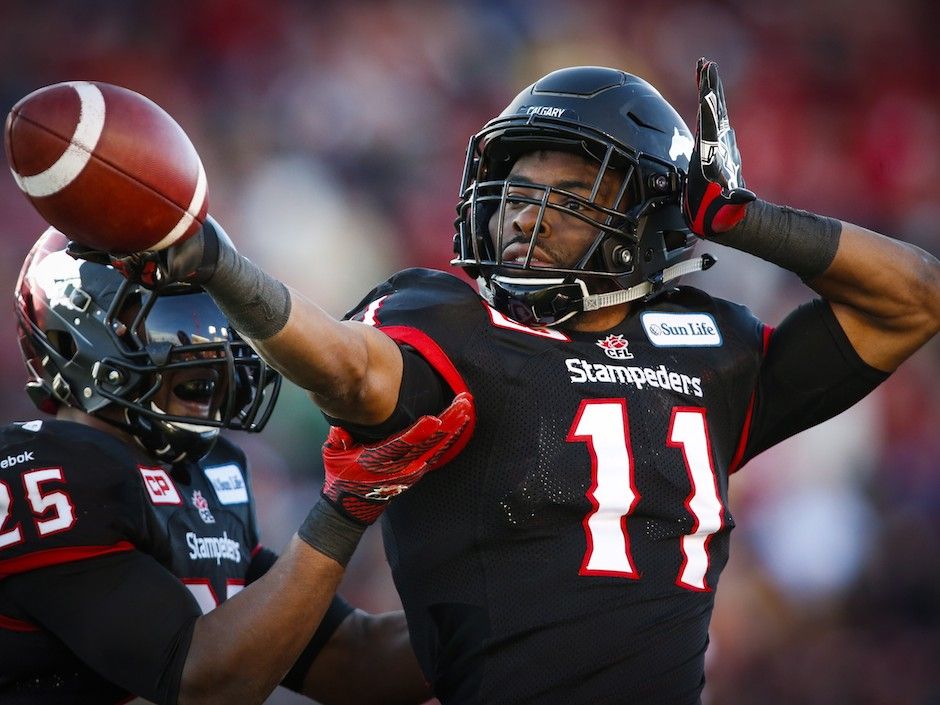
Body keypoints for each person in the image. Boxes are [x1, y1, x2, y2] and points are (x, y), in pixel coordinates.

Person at [67, 59, 938, 704]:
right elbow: (345, 365)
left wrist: (743, 219)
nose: (527, 209)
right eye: (518, 187)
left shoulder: (712, 343)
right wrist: (221, 262)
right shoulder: (450, 318)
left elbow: (912, 301)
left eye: (571, 189)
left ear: (649, 208)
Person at [0, 227, 471, 704]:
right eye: (174, 315)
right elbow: (203, 685)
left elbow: (350, 658)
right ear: (78, 340)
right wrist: (343, 512)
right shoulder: (41, 477)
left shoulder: (206, 471)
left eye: (215, 313)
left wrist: (513, 613)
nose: (209, 345)